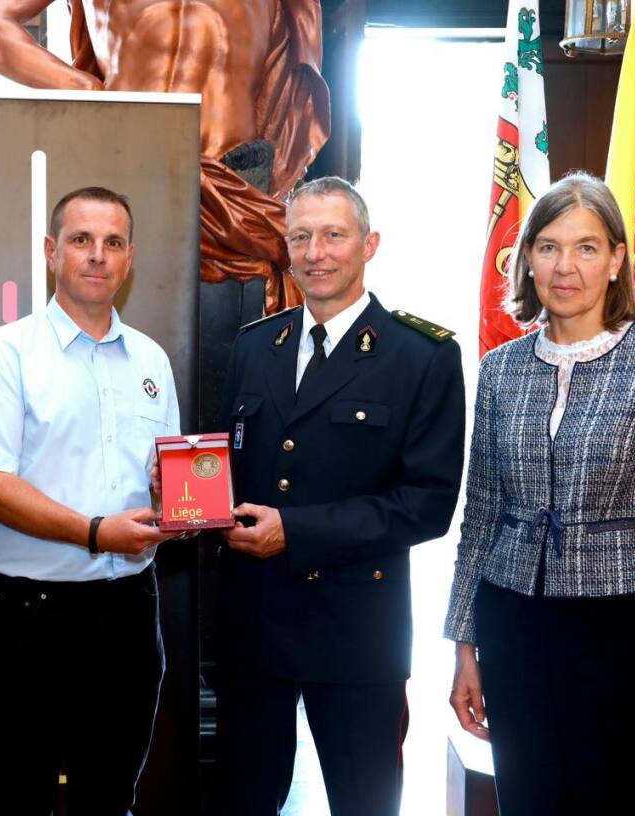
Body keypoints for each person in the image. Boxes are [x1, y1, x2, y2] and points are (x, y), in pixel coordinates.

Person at [444, 171, 635, 816]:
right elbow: (479, 515)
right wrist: (464, 647)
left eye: (587, 247)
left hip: (624, 632)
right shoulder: (499, 370)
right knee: (528, 797)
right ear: (527, 259)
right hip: (514, 628)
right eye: (549, 247)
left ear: (617, 259)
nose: (566, 267)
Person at [215, 176, 466, 815]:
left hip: (357, 631)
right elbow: (235, 472)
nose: (316, 252)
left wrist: (295, 533)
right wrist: (191, 491)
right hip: (256, 628)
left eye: (333, 235)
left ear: (369, 244)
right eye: (300, 236)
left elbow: (428, 504)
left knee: (365, 803)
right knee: (244, 800)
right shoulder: (252, 347)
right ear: (285, 248)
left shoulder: (421, 356)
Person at [0, 186, 181, 815]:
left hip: (131, 610)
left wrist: (174, 498)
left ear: (130, 258)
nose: (97, 256)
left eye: (112, 243)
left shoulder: (152, 360)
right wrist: (96, 531)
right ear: (52, 253)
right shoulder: (5, 354)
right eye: (81, 240)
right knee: (16, 794)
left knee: (109, 796)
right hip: (30, 616)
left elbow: (165, 479)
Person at [0, 0, 329, 311]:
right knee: (112, 342)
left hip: (233, 184)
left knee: (235, 358)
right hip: (127, 163)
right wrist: (86, 87)